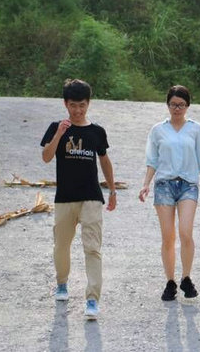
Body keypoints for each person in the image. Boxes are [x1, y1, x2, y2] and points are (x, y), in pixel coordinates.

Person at [41, 79, 117, 320]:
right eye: (73, 105)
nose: (78, 110)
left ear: (88, 104)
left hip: (91, 196)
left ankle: (92, 299)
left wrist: (112, 190)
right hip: (65, 197)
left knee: (92, 248)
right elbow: (46, 157)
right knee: (61, 245)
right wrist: (59, 134)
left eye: (82, 105)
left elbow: (104, 160)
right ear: (66, 104)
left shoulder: (97, 131)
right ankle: (62, 283)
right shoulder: (56, 127)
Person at [139, 85, 200, 301]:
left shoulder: (195, 129)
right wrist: (146, 184)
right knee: (168, 236)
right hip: (164, 184)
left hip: (188, 185)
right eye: (173, 104)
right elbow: (152, 160)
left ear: (188, 106)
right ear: (167, 105)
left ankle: (186, 277)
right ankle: (170, 281)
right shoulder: (158, 130)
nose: (177, 109)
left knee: (185, 232)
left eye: (181, 105)